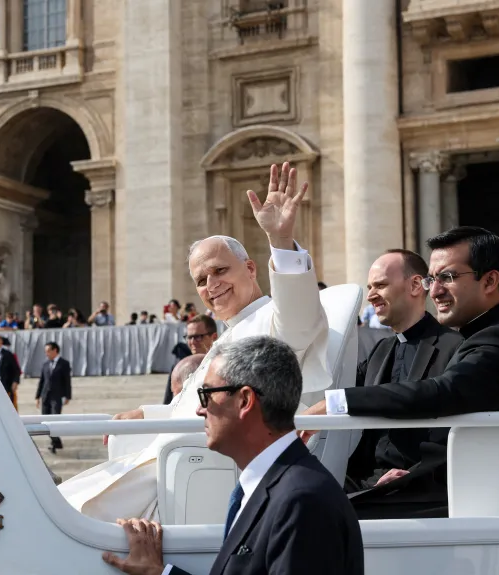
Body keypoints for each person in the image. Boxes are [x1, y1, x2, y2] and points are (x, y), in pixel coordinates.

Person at [58, 162, 331, 522]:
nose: (211, 284)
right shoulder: (231, 330)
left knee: (66, 517)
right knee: (60, 503)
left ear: (250, 269)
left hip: (193, 465)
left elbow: (298, 319)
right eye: (201, 280)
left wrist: (280, 241)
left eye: (220, 271)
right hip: (168, 459)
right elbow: (190, 408)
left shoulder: (275, 319)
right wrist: (147, 412)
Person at [304, 227, 499, 487]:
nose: (434, 291)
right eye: (432, 279)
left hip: (491, 497)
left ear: (490, 281)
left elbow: (444, 391)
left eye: (447, 277)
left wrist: (337, 402)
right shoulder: (485, 333)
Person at [101, 336, 363, 575]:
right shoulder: (273, 487)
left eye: (206, 395)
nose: (199, 411)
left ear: (244, 401)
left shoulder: (303, 502)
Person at [344, 249, 463, 518]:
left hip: (419, 487)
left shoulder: (454, 347)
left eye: (381, 285)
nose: (372, 294)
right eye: (370, 287)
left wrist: (402, 479)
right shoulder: (380, 351)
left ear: (414, 285)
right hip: (364, 481)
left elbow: (450, 439)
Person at [164, 315, 219, 404]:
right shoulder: (180, 367)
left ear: (214, 337)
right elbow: (168, 402)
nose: (192, 342)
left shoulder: (222, 365)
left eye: (198, 337)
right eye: (189, 337)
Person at [36, 342, 72, 453]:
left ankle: (55, 443)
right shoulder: (45, 364)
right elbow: (42, 381)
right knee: (44, 420)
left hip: (57, 396)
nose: (46, 353)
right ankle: (56, 441)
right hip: (45, 396)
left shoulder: (64, 363)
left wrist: (67, 396)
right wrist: (37, 396)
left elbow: (67, 381)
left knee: (54, 420)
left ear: (55, 350)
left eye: (48, 351)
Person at [0, 335, 20, 407]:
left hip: (6, 384)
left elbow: (16, 369)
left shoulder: (7, 354)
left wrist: (15, 382)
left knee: (9, 405)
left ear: (1, 342)